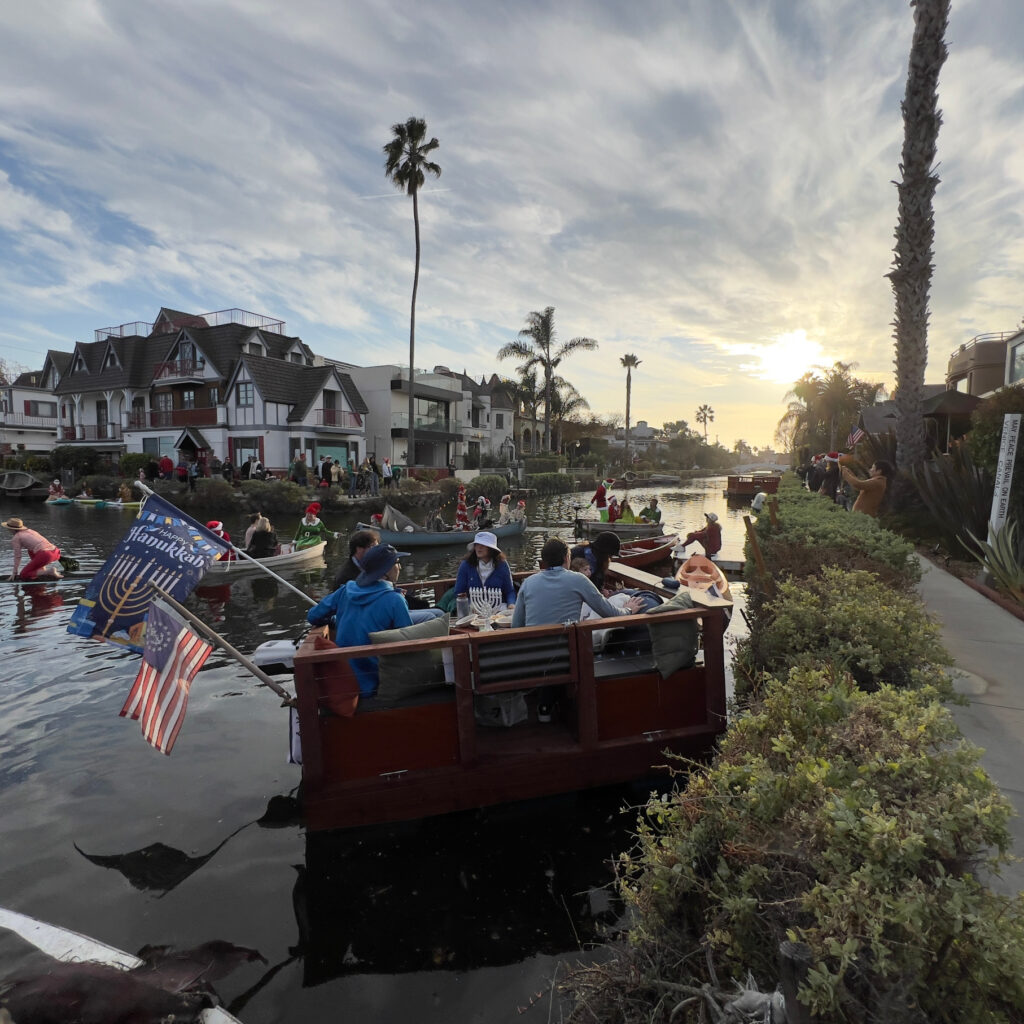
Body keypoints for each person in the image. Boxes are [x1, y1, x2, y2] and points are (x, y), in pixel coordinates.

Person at [306, 544, 413, 695]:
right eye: (396, 562)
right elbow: (409, 644)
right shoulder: (395, 600)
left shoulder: (345, 590)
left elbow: (313, 616)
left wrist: (337, 619)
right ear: (385, 571)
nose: (400, 567)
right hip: (376, 681)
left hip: (344, 675)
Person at [512, 538, 644, 629]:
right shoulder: (579, 579)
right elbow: (608, 612)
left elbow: (516, 625)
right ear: (566, 558)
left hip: (533, 656)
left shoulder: (528, 583)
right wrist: (628, 610)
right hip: (567, 656)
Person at [455, 531, 517, 608]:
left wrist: (511, 604)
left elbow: (509, 591)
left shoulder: (502, 564)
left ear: (491, 549)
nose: (479, 548)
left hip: (498, 609)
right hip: (473, 610)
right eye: (477, 544)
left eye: (483, 545)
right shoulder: (466, 565)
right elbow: (459, 592)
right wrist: (470, 605)